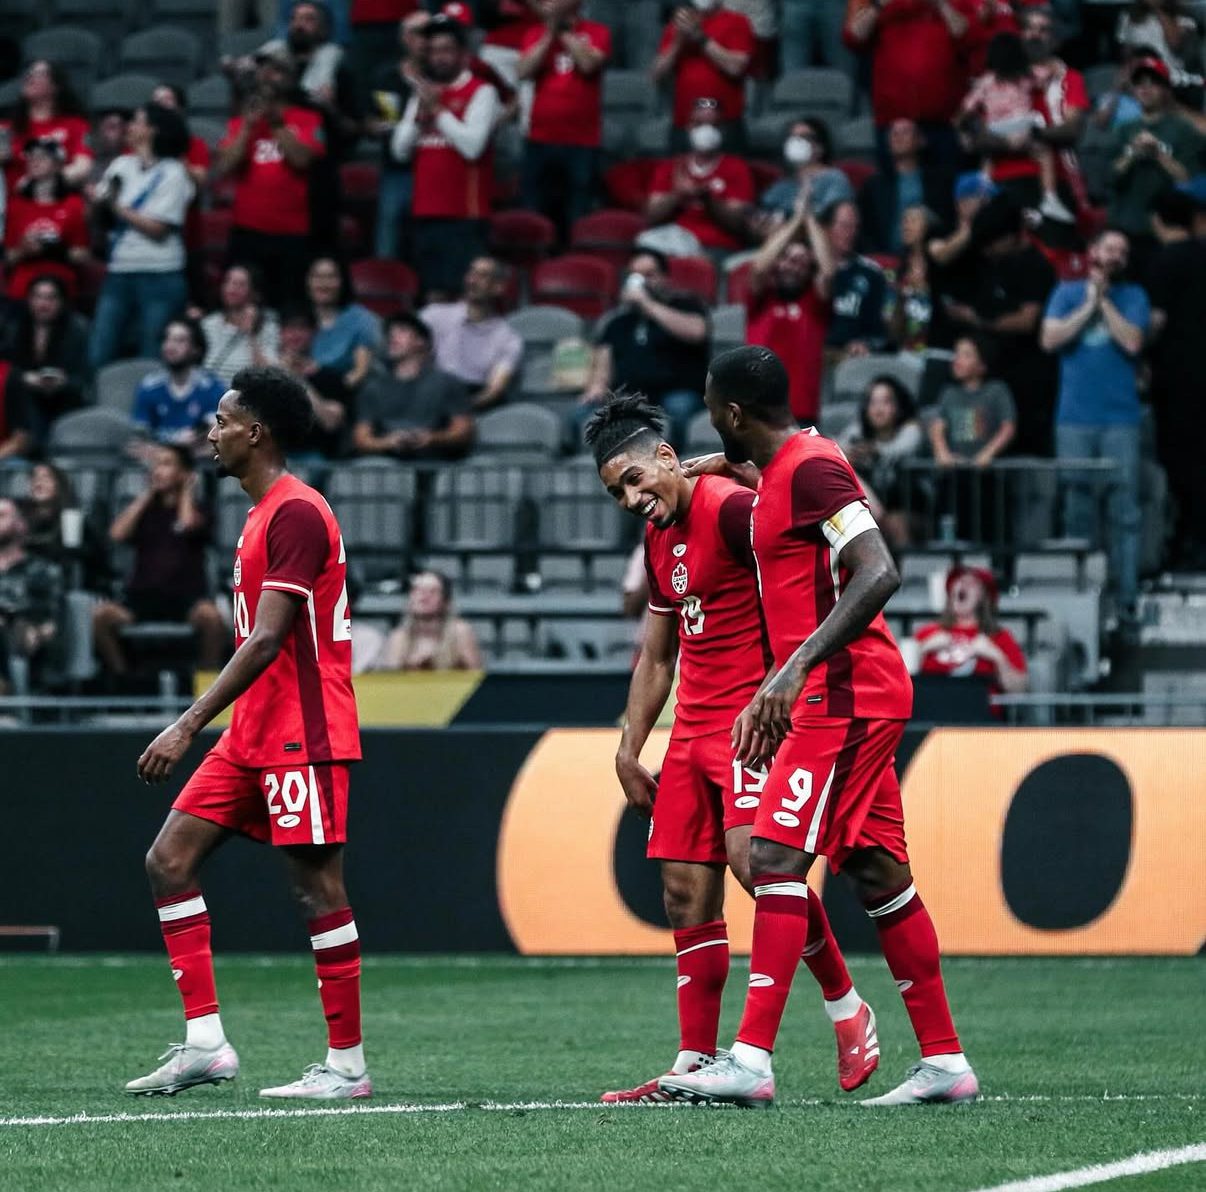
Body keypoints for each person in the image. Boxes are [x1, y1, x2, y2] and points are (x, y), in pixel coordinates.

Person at [661, 346, 976, 1108]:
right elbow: (772, 487)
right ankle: (945, 1062)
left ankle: (750, 1060)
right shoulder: (782, 471)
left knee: (772, 856)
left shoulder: (812, 469)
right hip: (838, 695)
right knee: (878, 875)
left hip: (844, 695)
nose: (708, 416)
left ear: (733, 411)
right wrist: (717, 465)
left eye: (711, 405)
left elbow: (879, 569)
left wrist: (793, 667)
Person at [586, 392, 877, 1104]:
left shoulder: (729, 509)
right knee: (683, 894)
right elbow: (658, 655)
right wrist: (629, 747)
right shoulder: (658, 537)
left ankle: (847, 1007)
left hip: (752, 721)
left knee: (758, 867)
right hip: (690, 730)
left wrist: (791, 683)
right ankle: (694, 1061)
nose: (631, 499)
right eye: (616, 493)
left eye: (634, 480)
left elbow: (802, 567)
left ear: (666, 457)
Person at [126, 367, 368, 1101]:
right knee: (169, 860)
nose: (210, 433)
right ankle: (206, 1044)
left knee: (317, 889)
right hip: (252, 732)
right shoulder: (262, 513)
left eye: (222, 421)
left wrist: (186, 723)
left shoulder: (296, 512)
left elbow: (266, 640)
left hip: (303, 729)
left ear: (255, 432)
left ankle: (347, 1067)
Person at [1041, 228, 1149, 616]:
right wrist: (1088, 304)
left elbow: (1133, 341)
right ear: (1093, 251)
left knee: (1124, 512)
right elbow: (1049, 340)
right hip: (1074, 419)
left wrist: (1103, 302)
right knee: (1077, 510)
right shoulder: (1066, 292)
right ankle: (1081, 602)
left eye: (1122, 251)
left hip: (1121, 420)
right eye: (1109, 248)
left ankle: (1126, 601)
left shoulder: (1134, 296)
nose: (1115, 255)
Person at [390, 15, 501, 299]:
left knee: (463, 296)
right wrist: (419, 115)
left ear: (463, 54)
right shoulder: (422, 94)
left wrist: (438, 111)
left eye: (446, 50)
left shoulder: (482, 91)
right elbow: (399, 150)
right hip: (424, 212)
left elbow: (472, 147)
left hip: (464, 214)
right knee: (430, 295)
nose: (439, 58)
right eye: (433, 51)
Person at [92, 445, 227, 678]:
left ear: (184, 473)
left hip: (187, 599)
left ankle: (208, 688)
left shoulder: (201, 510)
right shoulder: (144, 511)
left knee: (212, 619)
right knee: (101, 616)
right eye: (155, 465)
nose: (157, 470)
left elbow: (186, 525)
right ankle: (124, 681)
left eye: (166, 464)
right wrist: (147, 494)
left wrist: (187, 489)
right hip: (142, 598)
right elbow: (116, 534)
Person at [944, 193, 1057, 455]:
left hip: (1029, 377)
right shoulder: (989, 264)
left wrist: (976, 319)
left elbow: (1027, 320)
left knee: (1026, 448)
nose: (987, 251)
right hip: (992, 376)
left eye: (991, 244)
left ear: (1008, 237)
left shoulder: (1036, 266)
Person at [217, 45, 326, 310]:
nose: (267, 75)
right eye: (264, 69)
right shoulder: (240, 121)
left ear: (290, 79)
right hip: (247, 231)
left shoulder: (308, 118)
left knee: (286, 306)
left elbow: (302, 160)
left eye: (276, 70)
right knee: (242, 305)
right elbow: (225, 166)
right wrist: (247, 127)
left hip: (291, 233)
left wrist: (277, 123)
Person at [88, 105, 194, 370]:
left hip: (160, 273)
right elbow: (100, 215)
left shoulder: (174, 172)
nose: (130, 127)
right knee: (99, 349)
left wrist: (117, 207)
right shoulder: (121, 165)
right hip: (119, 270)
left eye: (137, 121)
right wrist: (97, 205)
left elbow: (158, 228)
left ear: (153, 130)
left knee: (153, 352)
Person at [576, 249, 711, 449]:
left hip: (676, 393)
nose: (641, 281)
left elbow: (696, 332)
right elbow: (603, 366)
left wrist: (646, 303)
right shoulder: (617, 322)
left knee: (679, 408)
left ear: (664, 278)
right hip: (628, 396)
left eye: (649, 275)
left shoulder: (686, 306)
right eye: (635, 275)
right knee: (580, 414)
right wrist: (597, 387)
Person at [1147, 184, 1206, 568]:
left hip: (1176, 377)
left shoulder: (1163, 262)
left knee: (1181, 461)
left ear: (1158, 220)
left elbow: (1155, 321)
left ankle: (1188, 541)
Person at [957, 32, 1075, 223]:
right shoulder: (1026, 76)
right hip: (1021, 127)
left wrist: (960, 125)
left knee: (988, 157)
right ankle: (1050, 197)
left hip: (995, 130)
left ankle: (985, 191)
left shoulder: (986, 81)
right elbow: (1051, 73)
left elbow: (967, 108)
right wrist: (1053, 64)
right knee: (1044, 153)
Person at [517, 0, 611, 235]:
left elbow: (588, 64)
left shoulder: (597, 31)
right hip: (540, 138)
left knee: (578, 214)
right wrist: (549, 34)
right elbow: (523, 71)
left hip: (582, 140)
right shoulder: (534, 33)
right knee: (534, 211)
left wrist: (562, 30)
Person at [843, 0, 973, 170]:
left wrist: (941, 5)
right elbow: (853, 37)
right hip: (893, 121)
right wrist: (880, 5)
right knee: (896, 184)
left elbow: (968, 37)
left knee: (945, 181)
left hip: (943, 119)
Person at [744, 185, 835, 424]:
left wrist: (809, 218)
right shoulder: (762, 298)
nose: (792, 266)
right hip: (757, 412)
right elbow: (759, 266)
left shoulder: (814, 303)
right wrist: (796, 220)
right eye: (786, 259)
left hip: (801, 415)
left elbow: (828, 272)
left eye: (800, 261)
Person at [1108, 56, 1204, 263]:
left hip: (1169, 232)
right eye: (1140, 83)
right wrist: (1132, 153)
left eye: (1153, 83)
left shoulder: (1183, 130)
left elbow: (1188, 180)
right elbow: (1109, 178)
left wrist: (1159, 153)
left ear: (1166, 89)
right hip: (1126, 227)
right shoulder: (1122, 130)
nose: (1145, 88)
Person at [929, 333, 1017, 543]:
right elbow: (937, 426)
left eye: (967, 355)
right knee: (953, 526)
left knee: (990, 528)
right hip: (956, 472)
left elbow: (1008, 427)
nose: (957, 360)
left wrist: (987, 454)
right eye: (957, 354)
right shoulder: (949, 393)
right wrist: (942, 452)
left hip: (987, 475)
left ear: (982, 365)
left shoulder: (996, 391)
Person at [353, 312, 475, 459]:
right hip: (388, 462)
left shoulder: (448, 383)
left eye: (402, 330)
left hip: (435, 459)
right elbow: (361, 438)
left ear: (421, 341)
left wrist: (432, 438)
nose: (392, 336)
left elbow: (464, 431)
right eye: (390, 332)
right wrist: (388, 442)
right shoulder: (373, 387)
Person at [647, 98, 754, 255]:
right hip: (673, 243)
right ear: (688, 127)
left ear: (722, 130)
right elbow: (651, 216)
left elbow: (738, 223)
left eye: (713, 125)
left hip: (715, 247)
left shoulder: (737, 168)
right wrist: (678, 195)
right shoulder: (670, 167)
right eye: (699, 124)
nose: (706, 131)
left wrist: (707, 198)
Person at [419, 256, 523, 412]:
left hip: (474, 403)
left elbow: (493, 391)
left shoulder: (509, 339)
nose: (472, 280)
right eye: (471, 273)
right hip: (432, 397)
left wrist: (458, 409)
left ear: (498, 287)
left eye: (483, 276)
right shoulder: (433, 316)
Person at [653, 1, 754, 152]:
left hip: (725, 124)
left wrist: (701, 38)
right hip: (685, 124)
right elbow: (657, 74)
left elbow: (736, 68)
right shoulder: (678, 24)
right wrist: (677, 42)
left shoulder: (737, 22)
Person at [1, 275, 89, 446]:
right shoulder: (14, 327)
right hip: (24, 394)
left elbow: (85, 377)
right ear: (29, 300)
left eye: (50, 298)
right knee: (26, 400)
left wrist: (63, 382)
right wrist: (23, 378)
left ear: (61, 302)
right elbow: (4, 368)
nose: (43, 304)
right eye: (38, 297)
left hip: (65, 397)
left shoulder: (77, 329)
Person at [913, 565, 1027, 698]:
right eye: (959, 581)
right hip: (932, 707)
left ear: (983, 596)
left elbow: (1019, 689)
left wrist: (997, 657)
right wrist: (924, 648)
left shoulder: (999, 636)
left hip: (979, 709)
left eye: (971, 583)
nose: (963, 585)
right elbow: (900, 682)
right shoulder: (927, 633)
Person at [838, 375, 925, 547]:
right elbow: (837, 446)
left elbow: (901, 449)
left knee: (894, 524)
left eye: (886, 402)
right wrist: (848, 453)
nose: (878, 409)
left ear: (899, 407)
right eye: (873, 402)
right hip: (871, 508)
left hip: (908, 507)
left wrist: (873, 451)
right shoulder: (858, 432)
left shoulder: (911, 429)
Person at [1020, 5, 1090, 214]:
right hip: (1013, 169)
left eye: (1043, 30)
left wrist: (1033, 134)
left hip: (1060, 173)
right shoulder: (1005, 76)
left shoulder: (1070, 78)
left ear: (1055, 39)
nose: (1035, 35)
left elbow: (1072, 128)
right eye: (1029, 28)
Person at [2, 138, 91, 301]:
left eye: (42, 157)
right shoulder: (16, 205)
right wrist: (23, 250)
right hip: (23, 285)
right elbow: (8, 257)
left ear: (57, 164)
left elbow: (83, 255)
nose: (34, 161)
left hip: (60, 283)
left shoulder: (73, 204)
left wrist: (56, 248)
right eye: (31, 157)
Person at [858, 118, 954, 255]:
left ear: (921, 140)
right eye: (894, 133)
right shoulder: (873, 186)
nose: (899, 137)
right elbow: (864, 231)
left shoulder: (941, 182)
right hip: (886, 259)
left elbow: (947, 222)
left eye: (905, 132)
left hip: (931, 256)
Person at [132, 321, 227, 451]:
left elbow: (218, 439)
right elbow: (138, 439)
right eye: (167, 339)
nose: (170, 346)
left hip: (199, 459)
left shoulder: (211, 387)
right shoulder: (149, 387)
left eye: (180, 341)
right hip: (158, 458)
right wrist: (173, 446)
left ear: (196, 349)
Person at [0, 497, 62, 695]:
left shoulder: (42, 570)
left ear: (20, 525)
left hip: (24, 637)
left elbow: (49, 619)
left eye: (1, 516)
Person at [0, 60, 92, 192]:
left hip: (57, 199)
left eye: (39, 74)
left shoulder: (76, 125)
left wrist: (44, 182)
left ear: (55, 86)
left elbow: (83, 166)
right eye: (29, 73)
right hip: (14, 200)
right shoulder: (7, 128)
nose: (29, 77)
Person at [277, 305, 355, 459]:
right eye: (289, 328)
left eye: (302, 328)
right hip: (275, 455)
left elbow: (331, 422)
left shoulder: (331, 378)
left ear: (314, 332)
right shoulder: (268, 377)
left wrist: (295, 377)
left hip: (314, 456)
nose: (295, 334)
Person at [823, 201, 894, 358]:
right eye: (844, 226)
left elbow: (879, 331)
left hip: (851, 357)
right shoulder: (808, 267)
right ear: (826, 228)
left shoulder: (871, 273)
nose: (850, 233)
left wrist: (866, 343)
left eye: (854, 227)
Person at [757, 117, 854, 231]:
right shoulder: (782, 185)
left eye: (804, 138)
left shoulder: (834, 179)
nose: (796, 142)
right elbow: (764, 214)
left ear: (820, 147)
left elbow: (833, 217)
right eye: (792, 138)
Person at [379, 570, 482, 670]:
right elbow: (392, 678)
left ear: (446, 601)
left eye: (433, 592)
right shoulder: (399, 637)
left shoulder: (460, 633)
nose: (424, 597)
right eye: (417, 590)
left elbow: (476, 676)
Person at [305, 256, 380, 390]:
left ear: (343, 281)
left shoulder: (360, 319)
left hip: (346, 392)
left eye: (331, 277)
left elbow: (359, 373)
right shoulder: (298, 318)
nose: (323, 284)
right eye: (317, 277)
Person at [201, 264, 282, 385]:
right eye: (228, 282)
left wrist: (251, 334)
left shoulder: (268, 327)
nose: (232, 288)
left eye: (240, 284)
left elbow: (269, 374)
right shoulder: (208, 324)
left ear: (254, 292)